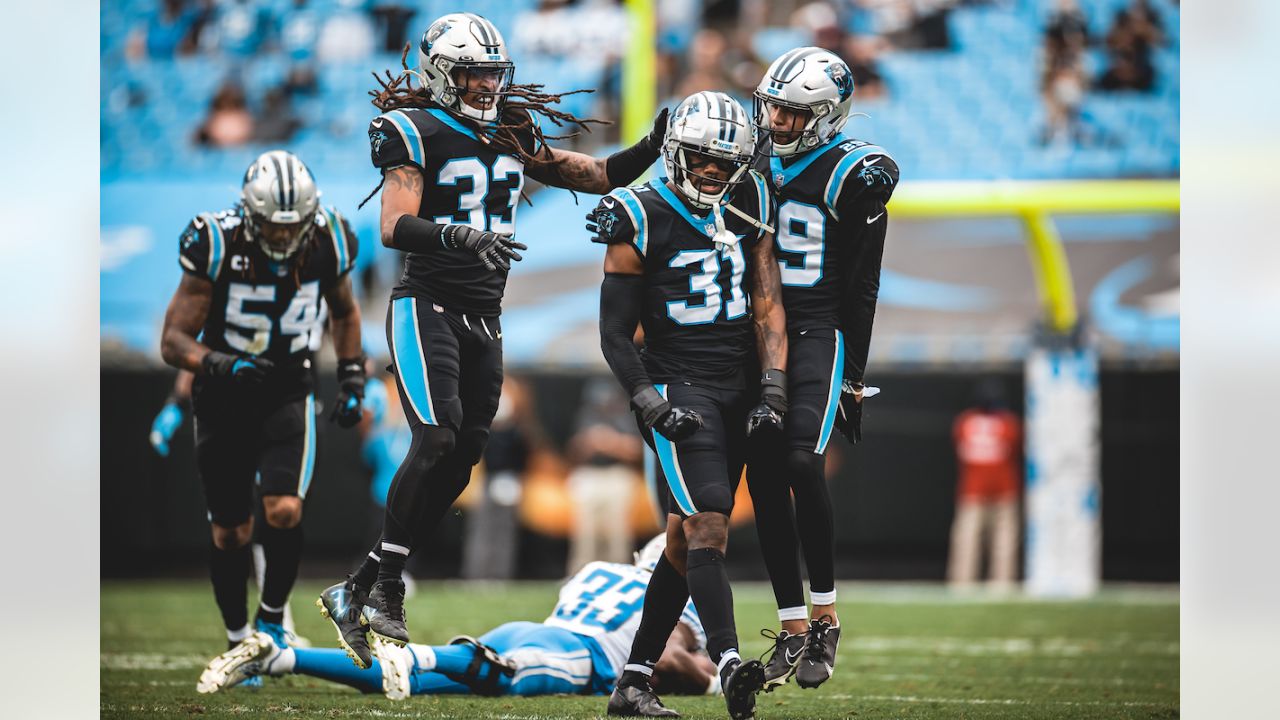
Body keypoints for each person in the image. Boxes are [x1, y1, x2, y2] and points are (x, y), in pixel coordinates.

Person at [317, 11, 673, 671]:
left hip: (485, 313)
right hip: (426, 305)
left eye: (491, 72)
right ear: (441, 75)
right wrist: (461, 235)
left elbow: (595, 174)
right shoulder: (412, 131)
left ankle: (360, 584)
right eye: (472, 72)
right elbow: (396, 224)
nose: (485, 84)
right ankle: (388, 584)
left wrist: (651, 147)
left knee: (463, 459)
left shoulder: (510, 127)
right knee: (436, 436)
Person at [588, 90, 788, 720]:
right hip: (678, 385)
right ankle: (729, 663)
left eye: (723, 161)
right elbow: (615, 332)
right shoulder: (637, 212)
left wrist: (775, 383)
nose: (711, 171)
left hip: (739, 383)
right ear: (675, 152)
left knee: (680, 541)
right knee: (709, 523)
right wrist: (646, 401)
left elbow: (765, 298)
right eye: (700, 157)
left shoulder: (751, 195)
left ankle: (634, 683)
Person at [160, 149, 365, 655]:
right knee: (231, 532)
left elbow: (344, 311)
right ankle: (236, 637)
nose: (282, 236)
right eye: (272, 226)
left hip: (288, 390)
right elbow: (173, 341)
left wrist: (353, 376)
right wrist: (221, 363)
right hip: (224, 394)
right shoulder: (215, 241)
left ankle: (271, 622)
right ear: (250, 215)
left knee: (286, 508)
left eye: (291, 227)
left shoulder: (330, 238)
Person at [744, 47, 898, 691]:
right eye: (772, 105)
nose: (776, 119)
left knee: (802, 461)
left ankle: (826, 614)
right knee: (762, 473)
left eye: (792, 111)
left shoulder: (853, 172)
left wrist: (855, 375)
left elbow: (863, 284)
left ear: (827, 115)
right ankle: (791, 623)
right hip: (750, 331)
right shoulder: (740, 153)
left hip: (815, 328)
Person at [198, 536, 719, 700]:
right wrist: (713, 680)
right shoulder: (679, 592)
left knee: (407, 683)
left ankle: (279, 657)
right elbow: (671, 659)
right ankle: (417, 653)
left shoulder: (603, 569)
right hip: (575, 654)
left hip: (532, 629)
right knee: (495, 672)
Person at [948, 379, 1022, 590]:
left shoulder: (965, 422)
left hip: (974, 491)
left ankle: (962, 583)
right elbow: (1014, 450)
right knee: (1003, 541)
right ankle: (1002, 583)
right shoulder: (1009, 424)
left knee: (968, 540)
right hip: (1001, 490)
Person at [566, 377, 645, 573]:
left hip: (617, 473)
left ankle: (618, 572)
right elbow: (572, 452)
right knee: (585, 530)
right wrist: (589, 443)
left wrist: (612, 443)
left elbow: (636, 451)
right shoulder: (586, 416)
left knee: (617, 529)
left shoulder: (624, 418)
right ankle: (581, 573)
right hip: (589, 473)